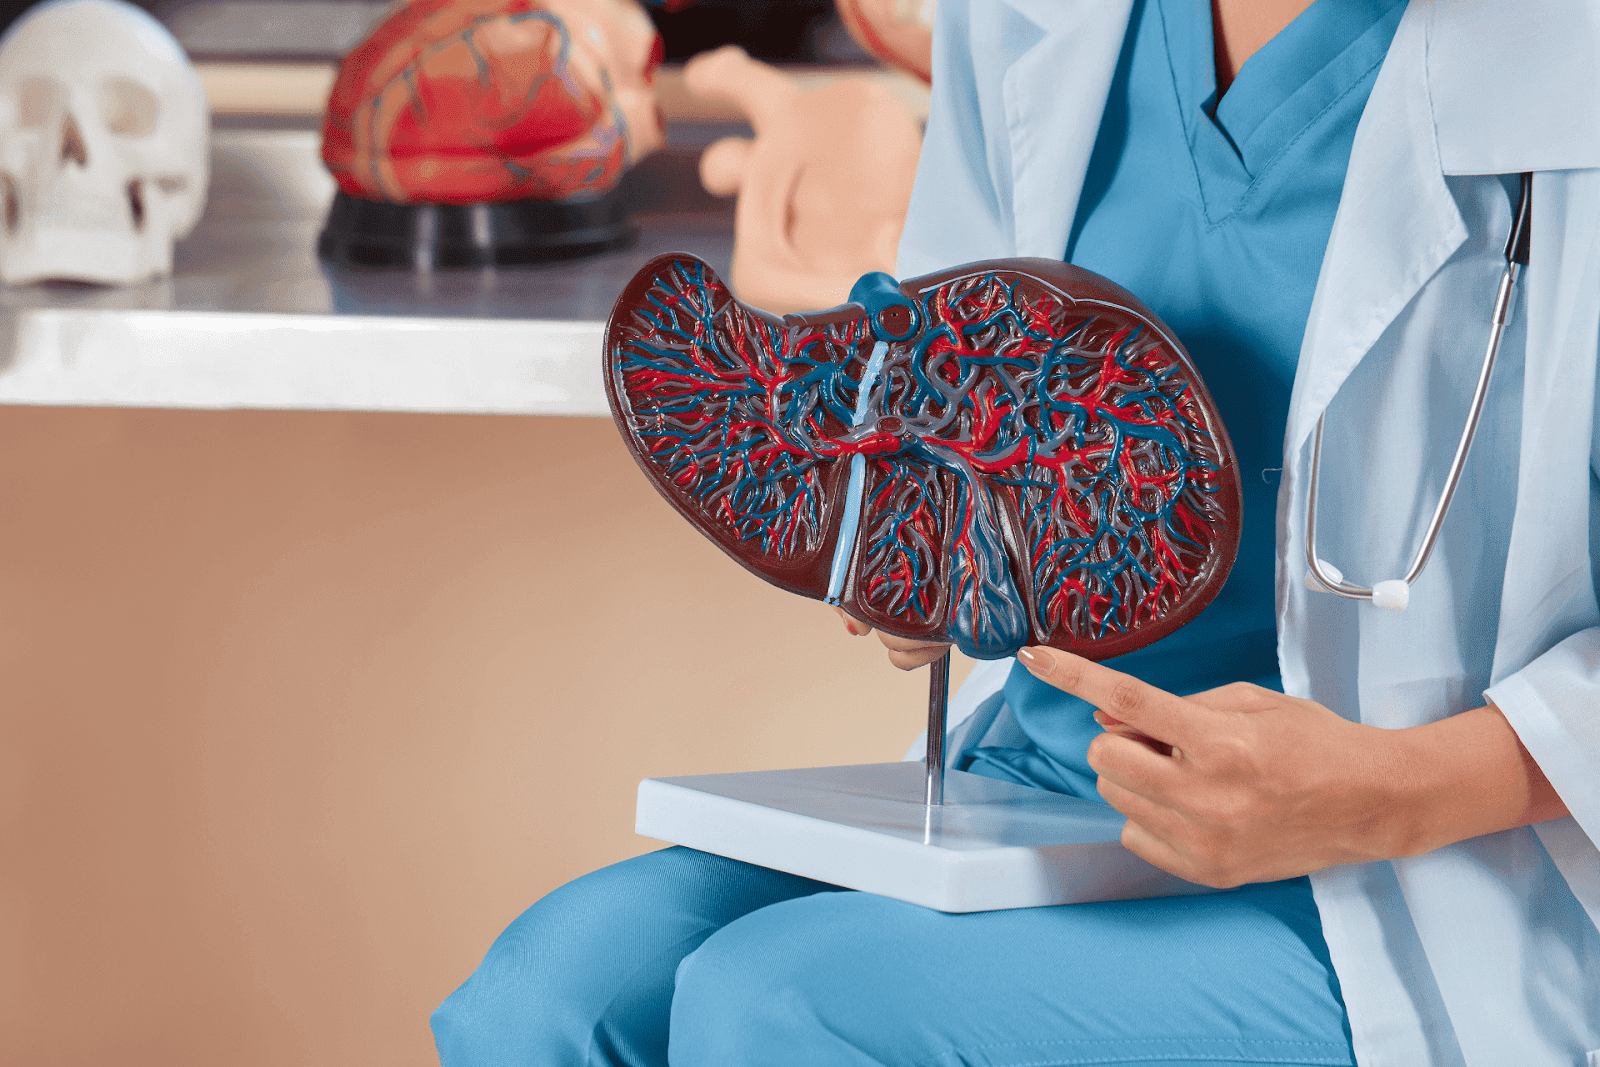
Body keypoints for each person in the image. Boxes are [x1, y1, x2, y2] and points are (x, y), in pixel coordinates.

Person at [430, 1, 1600, 1063]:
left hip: (1408, 861)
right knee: (545, 996)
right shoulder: (1032, 20)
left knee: (782, 1009)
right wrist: (908, 544)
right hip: (1042, 778)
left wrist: (1389, 789)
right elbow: (958, 366)